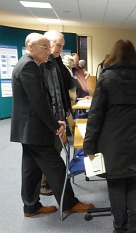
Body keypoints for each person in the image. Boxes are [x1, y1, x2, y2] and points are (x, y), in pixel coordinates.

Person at [83, 39, 136, 233]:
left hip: (112, 141)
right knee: (132, 181)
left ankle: (122, 230)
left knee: (116, 183)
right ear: (134, 57)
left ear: (113, 55)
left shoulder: (107, 79)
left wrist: (89, 145)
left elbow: (95, 115)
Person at [10, 33, 94, 217]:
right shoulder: (29, 67)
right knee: (56, 166)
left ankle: (31, 206)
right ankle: (69, 203)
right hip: (35, 129)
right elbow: (38, 101)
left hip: (29, 129)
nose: (49, 51)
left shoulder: (29, 64)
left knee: (31, 170)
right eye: (45, 48)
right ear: (31, 47)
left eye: (49, 47)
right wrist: (54, 124)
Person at [39, 30, 73, 196]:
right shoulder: (44, 63)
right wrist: (54, 119)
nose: (60, 48)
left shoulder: (56, 61)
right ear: (48, 43)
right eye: (58, 45)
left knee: (56, 149)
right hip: (51, 118)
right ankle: (45, 184)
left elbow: (64, 85)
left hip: (59, 115)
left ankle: (47, 182)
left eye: (62, 46)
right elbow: (47, 95)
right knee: (51, 151)